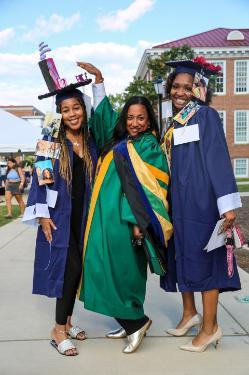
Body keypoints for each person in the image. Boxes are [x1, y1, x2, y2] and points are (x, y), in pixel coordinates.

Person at [23, 62, 109, 356]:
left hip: (84, 216)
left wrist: (99, 81)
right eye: (66, 110)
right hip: (60, 216)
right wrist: (43, 216)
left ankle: (69, 320)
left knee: (79, 268)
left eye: (76, 108)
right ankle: (58, 329)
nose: (72, 114)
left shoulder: (91, 140)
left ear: (83, 109)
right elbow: (40, 181)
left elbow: (106, 119)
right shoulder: (50, 142)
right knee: (68, 268)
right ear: (58, 114)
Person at [78, 94, 173, 354]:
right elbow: (104, 120)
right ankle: (127, 319)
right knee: (102, 268)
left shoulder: (148, 145)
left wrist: (136, 223)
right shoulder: (121, 141)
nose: (135, 122)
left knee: (124, 273)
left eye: (140, 117)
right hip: (104, 220)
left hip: (126, 223)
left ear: (149, 119)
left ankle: (136, 323)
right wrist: (99, 82)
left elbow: (152, 189)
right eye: (130, 117)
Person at [160, 58, 242, 352]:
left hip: (202, 204)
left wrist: (227, 206)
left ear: (198, 89)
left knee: (205, 261)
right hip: (180, 204)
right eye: (176, 87)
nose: (180, 92)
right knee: (183, 257)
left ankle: (210, 329)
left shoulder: (205, 116)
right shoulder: (174, 120)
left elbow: (218, 160)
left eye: (187, 87)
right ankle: (189, 314)